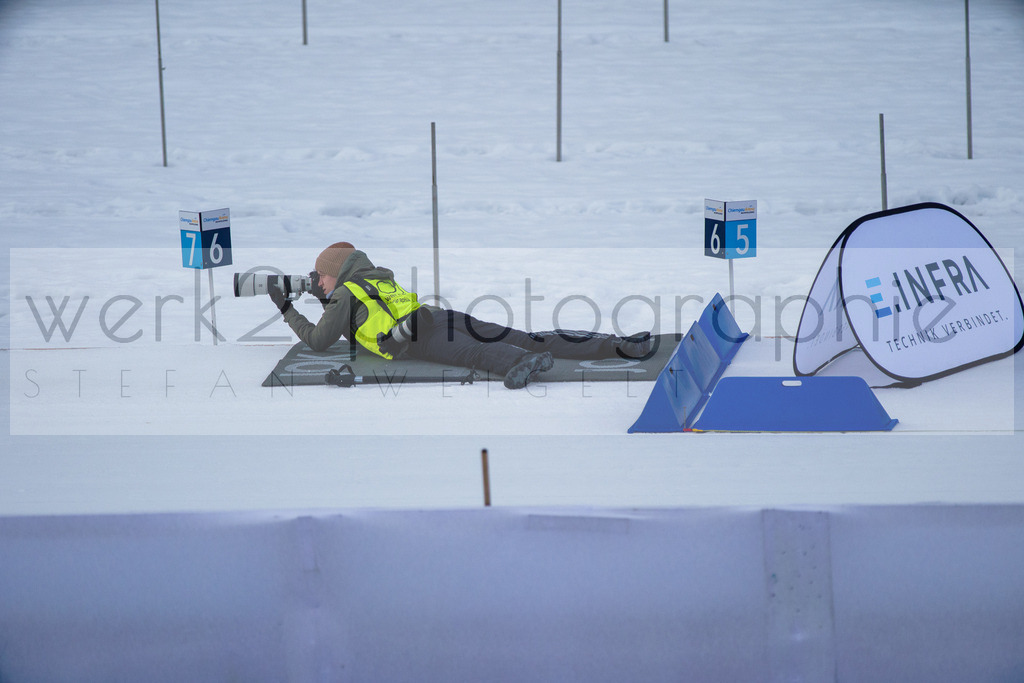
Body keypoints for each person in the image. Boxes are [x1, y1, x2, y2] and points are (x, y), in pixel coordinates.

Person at [269, 241, 652, 389]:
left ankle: (523, 365)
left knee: (473, 354)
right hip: (437, 315)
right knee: (524, 334)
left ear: (336, 272)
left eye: (321, 274)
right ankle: (617, 346)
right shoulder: (374, 278)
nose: (317, 280)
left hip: (418, 338)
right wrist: (324, 299)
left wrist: (286, 308)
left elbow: (321, 339)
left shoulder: (344, 295)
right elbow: (352, 321)